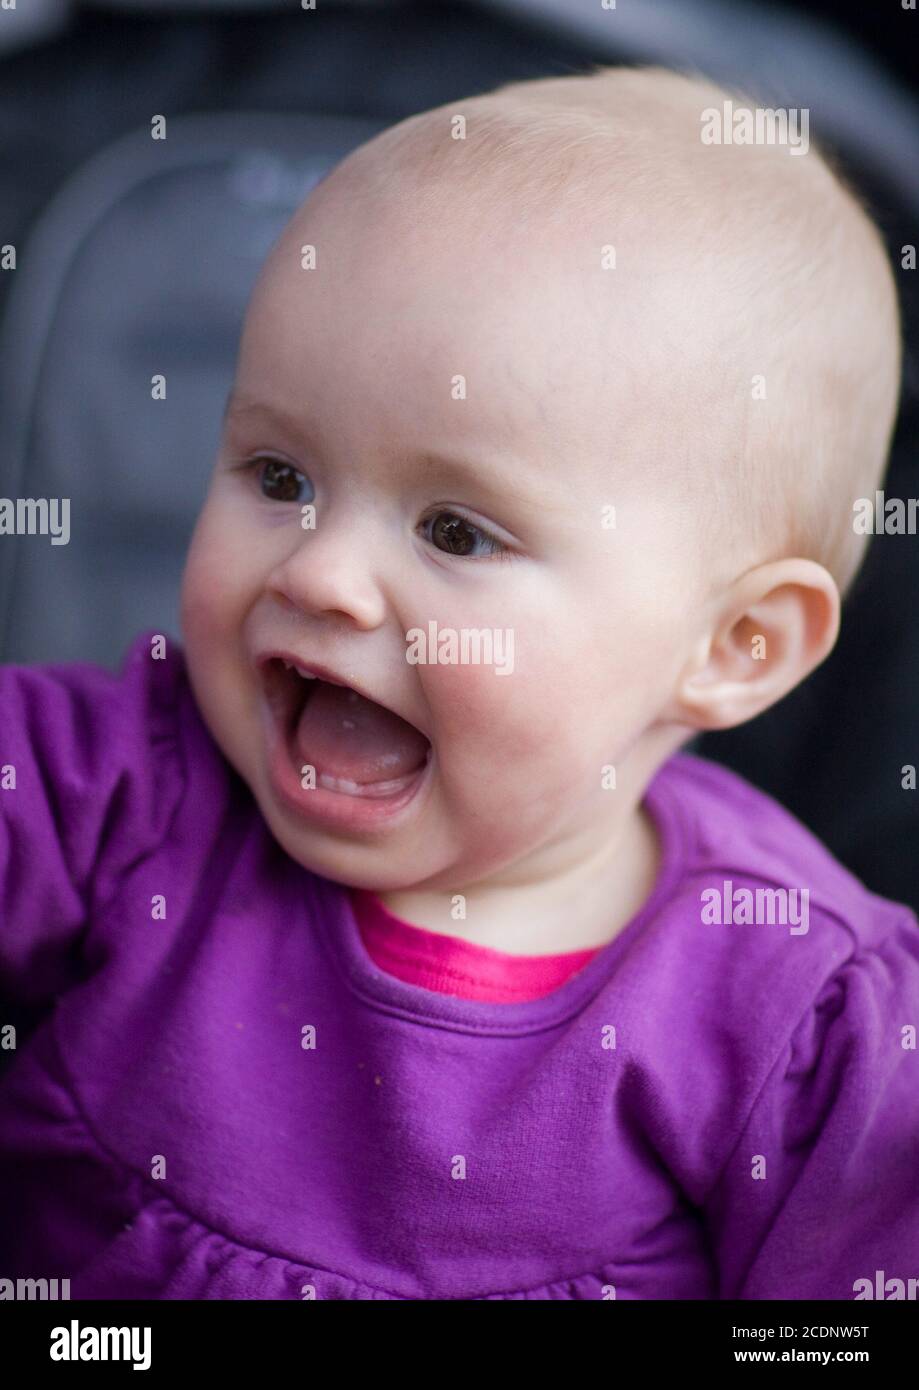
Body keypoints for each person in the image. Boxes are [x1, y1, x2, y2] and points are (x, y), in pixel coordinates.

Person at [1, 65, 915, 1300]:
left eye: (456, 533)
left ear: (733, 644)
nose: (320, 572)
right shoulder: (122, 790)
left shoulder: (796, 1021)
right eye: (279, 475)